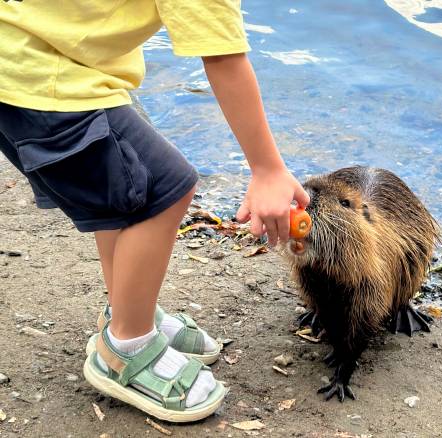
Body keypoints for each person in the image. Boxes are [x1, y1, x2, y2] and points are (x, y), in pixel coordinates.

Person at [0, 0, 309, 422]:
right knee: (166, 188)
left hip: (26, 54)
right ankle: (126, 347)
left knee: (122, 193)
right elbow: (220, 55)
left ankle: (126, 312)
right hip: (39, 77)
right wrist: (267, 168)